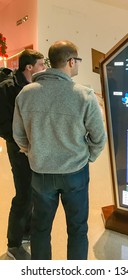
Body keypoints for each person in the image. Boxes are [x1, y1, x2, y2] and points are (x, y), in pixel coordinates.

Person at [13, 40, 107, 260]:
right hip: (75, 172)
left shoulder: (26, 94)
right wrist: (88, 157)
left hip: (41, 173)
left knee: (40, 228)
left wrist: (34, 151)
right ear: (71, 61)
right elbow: (99, 137)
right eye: (78, 61)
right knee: (77, 229)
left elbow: (18, 135)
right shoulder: (84, 95)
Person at [0, 49, 45, 260]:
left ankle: (26, 231)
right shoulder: (8, 88)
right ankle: (14, 244)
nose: (44, 68)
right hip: (18, 148)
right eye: (41, 65)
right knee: (24, 194)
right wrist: (20, 142)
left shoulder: (34, 87)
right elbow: (3, 124)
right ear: (29, 67)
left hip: (32, 147)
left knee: (33, 191)